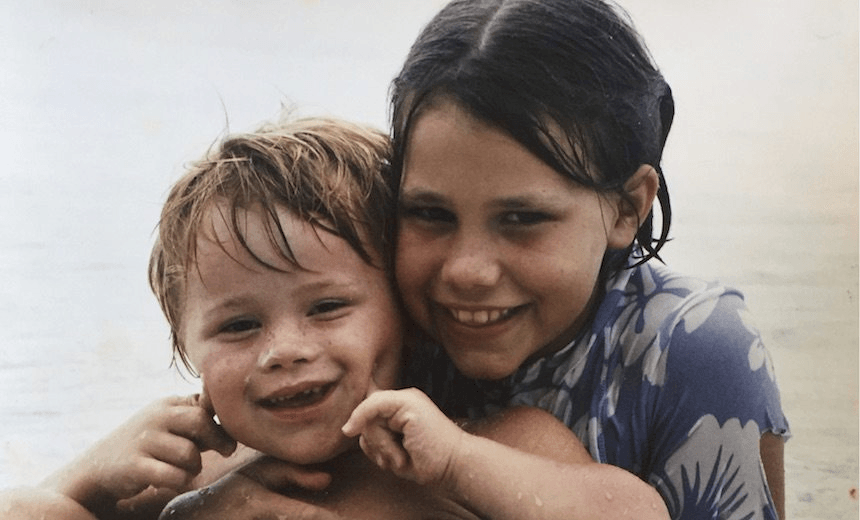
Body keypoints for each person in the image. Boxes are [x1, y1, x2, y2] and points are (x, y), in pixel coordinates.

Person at [0, 117, 654, 520]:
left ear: (407, 310)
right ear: (185, 347)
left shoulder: (494, 444)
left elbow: (635, 514)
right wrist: (86, 476)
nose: (283, 349)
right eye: (237, 326)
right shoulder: (194, 477)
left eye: (328, 307)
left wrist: (457, 463)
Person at [383, 0, 790, 519]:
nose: (466, 271)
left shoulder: (689, 347)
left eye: (521, 219)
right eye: (429, 213)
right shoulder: (370, 319)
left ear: (626, 208)